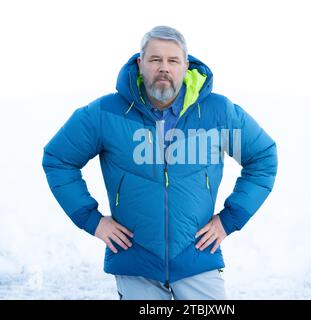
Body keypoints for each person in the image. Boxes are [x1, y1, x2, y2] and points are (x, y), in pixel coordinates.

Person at [42, 25, 278, 300]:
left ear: (185, 66)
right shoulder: (105, 114)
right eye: (155, 60)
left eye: (172, 60)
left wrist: (229, 219)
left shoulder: (218, 113)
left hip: (197, 259)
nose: (163, 67)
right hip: (135, 261)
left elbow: (262, 157)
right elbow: (58, 159)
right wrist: (92, 220)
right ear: (141, 64)